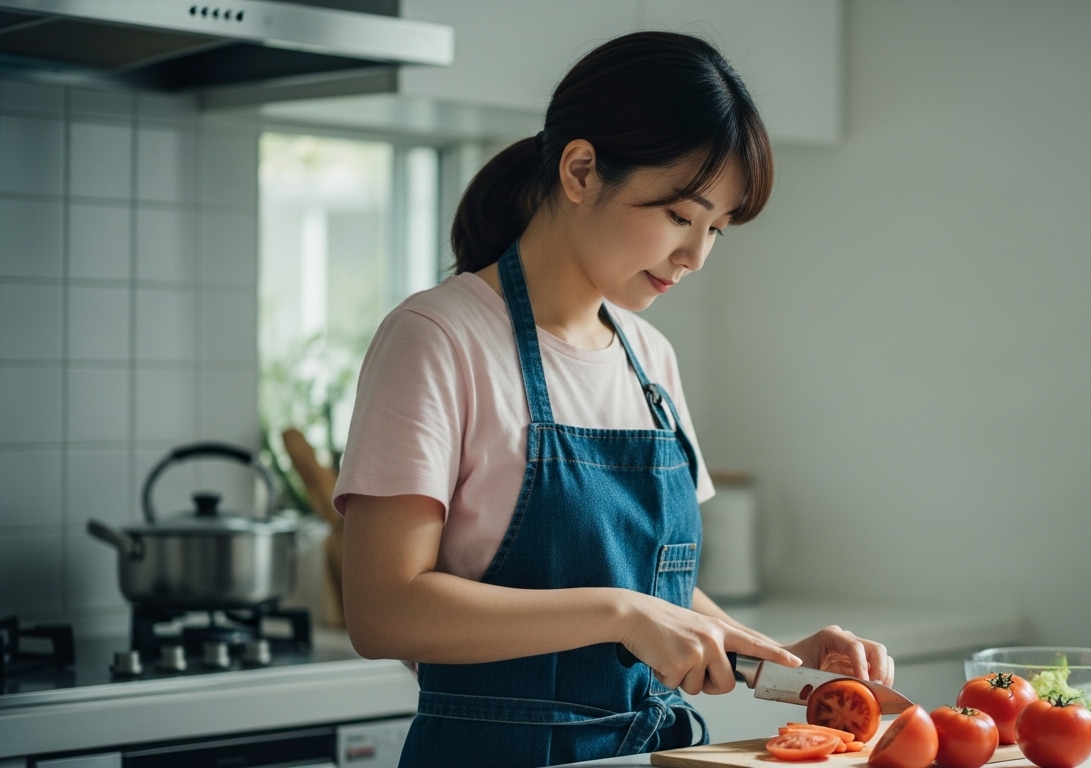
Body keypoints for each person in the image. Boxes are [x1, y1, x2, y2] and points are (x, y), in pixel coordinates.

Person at [333, 31, 895, 767]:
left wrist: (779, 659)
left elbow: (654, 591)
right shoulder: (437, 337)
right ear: (580, 169)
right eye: (679, 216)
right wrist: (619, 613)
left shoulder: (648, 357)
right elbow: (383, 612)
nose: (696, 256)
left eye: (717, 229)